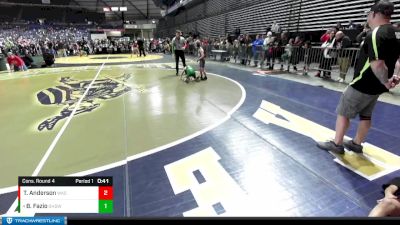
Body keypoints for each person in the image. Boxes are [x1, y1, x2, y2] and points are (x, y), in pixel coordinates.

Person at [317, 0, 400, 155]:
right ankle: (356, 144)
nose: (368, 17)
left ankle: (337, 144)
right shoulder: (395, 32)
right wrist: (394, 76)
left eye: (369, 14)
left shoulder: (376, 34)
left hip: (363, 83)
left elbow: (377, 64)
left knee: (343, 113)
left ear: (374, 13)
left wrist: (386, 82)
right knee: (365, 115)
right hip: (377, 86)